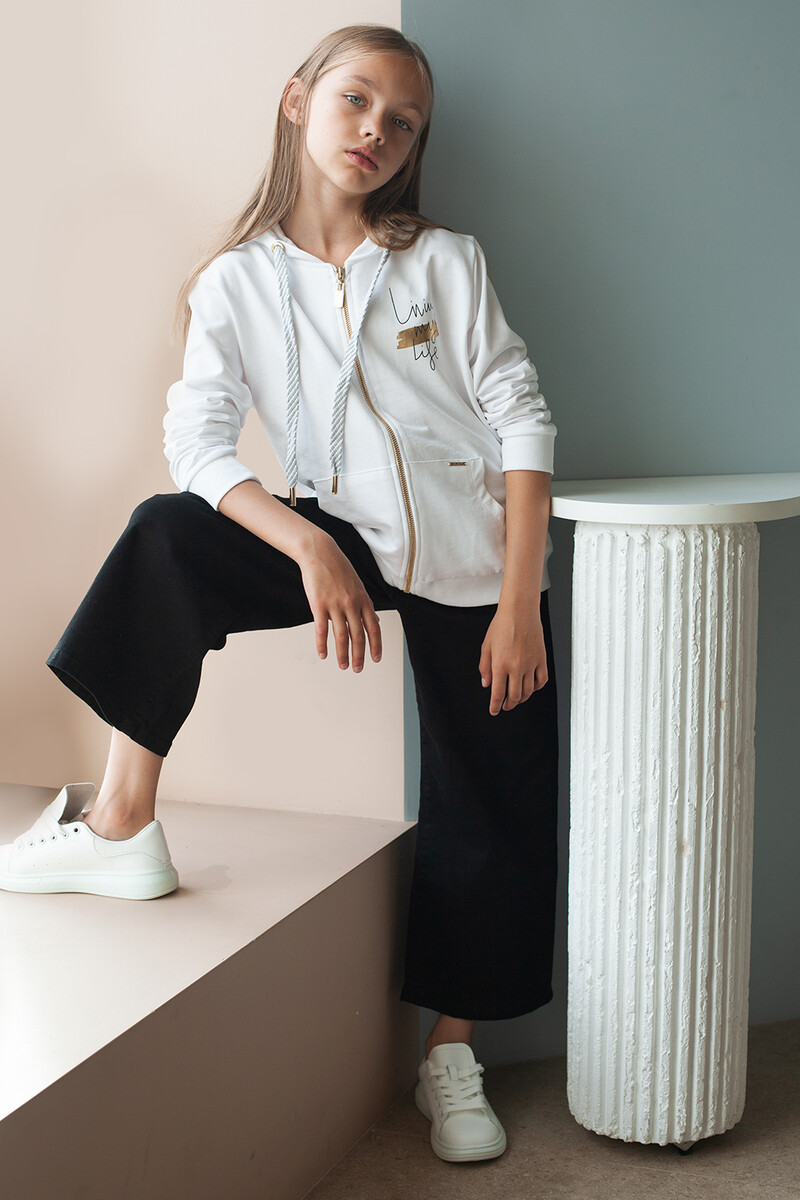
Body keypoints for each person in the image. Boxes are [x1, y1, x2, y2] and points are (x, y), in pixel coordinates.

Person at [0, 24, 558, 1165]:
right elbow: (197, 444)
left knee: (492, 781)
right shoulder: (236, 282)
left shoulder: (445, 262)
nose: (375, 131)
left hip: (463, 549)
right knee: (166, 533)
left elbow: (521, 416)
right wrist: (307, 547)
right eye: (356, 100)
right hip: (333, 525)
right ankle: (120, 822)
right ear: (298, 102)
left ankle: (450, 1051)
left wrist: (519, 603)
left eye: (402, 122)